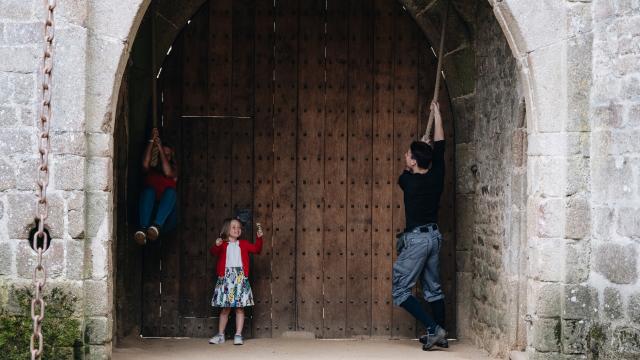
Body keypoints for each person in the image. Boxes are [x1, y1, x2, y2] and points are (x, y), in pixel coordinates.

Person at [392, 101, 448, 351]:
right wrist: (437, 115)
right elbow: (441, 147)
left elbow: (406, 172)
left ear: (413, 162)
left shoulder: (408, 181)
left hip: (416, 241)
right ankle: (443, 335)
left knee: (400, 290)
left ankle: (435, 330)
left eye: (408, 155)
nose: (406, 157)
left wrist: (423, 145)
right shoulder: (437, 176)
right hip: (434, 237)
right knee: (433, 289)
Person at [208, 219, 264, 345]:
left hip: (240, 278)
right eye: (233, 227)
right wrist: (216, 244)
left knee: (239, 308)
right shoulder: (222, 244)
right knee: (225, 309)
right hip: (226, 279)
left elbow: (257, 249)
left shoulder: (243, 244)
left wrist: (259, 238)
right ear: (227, 230)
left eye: (239, 227)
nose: (237, 229)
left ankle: (238, 335)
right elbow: (213, 252)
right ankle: (220, 335)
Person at [134, 128, 178, 245]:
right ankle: (143, 230)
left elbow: (168, 172)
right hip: (149, 214)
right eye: (163, 154)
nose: (165, 157)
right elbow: (144, 164)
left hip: (166, 218)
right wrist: (151, 142)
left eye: (168, 155)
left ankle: (156, 227)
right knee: (149, 191)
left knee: (171, 192)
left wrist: (160, 149)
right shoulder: (151, 170)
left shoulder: (174, 172)